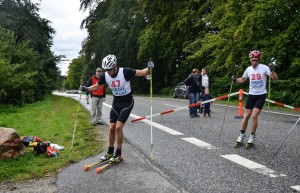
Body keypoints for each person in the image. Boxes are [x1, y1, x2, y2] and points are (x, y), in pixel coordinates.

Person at [81, 54, 153, 162]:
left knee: (118, 127)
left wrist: (149, 67)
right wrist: (86, 88)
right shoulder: (105, 76)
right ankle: (110, 152)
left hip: (127, 102)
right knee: (111, 127)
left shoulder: (125, 71)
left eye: (110, 69)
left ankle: (118, 153)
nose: (108, 71)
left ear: (115, 66)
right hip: (116, 103)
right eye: (107, 69)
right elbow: (96, 86)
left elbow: (143, 72)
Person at [232, 50, 278, 147]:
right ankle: (241, 134)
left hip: (261, 95)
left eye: (256, 60)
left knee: (254, 115)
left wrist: (272, 70)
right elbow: (242, 80)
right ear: (250, 59)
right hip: (251, 95)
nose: (255, 62)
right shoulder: (248, 69)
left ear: (259, 59)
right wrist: (235, 79)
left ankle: (252, 137)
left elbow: (274, 78)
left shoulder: (264, 68)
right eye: (253, 60)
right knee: (246, 115)